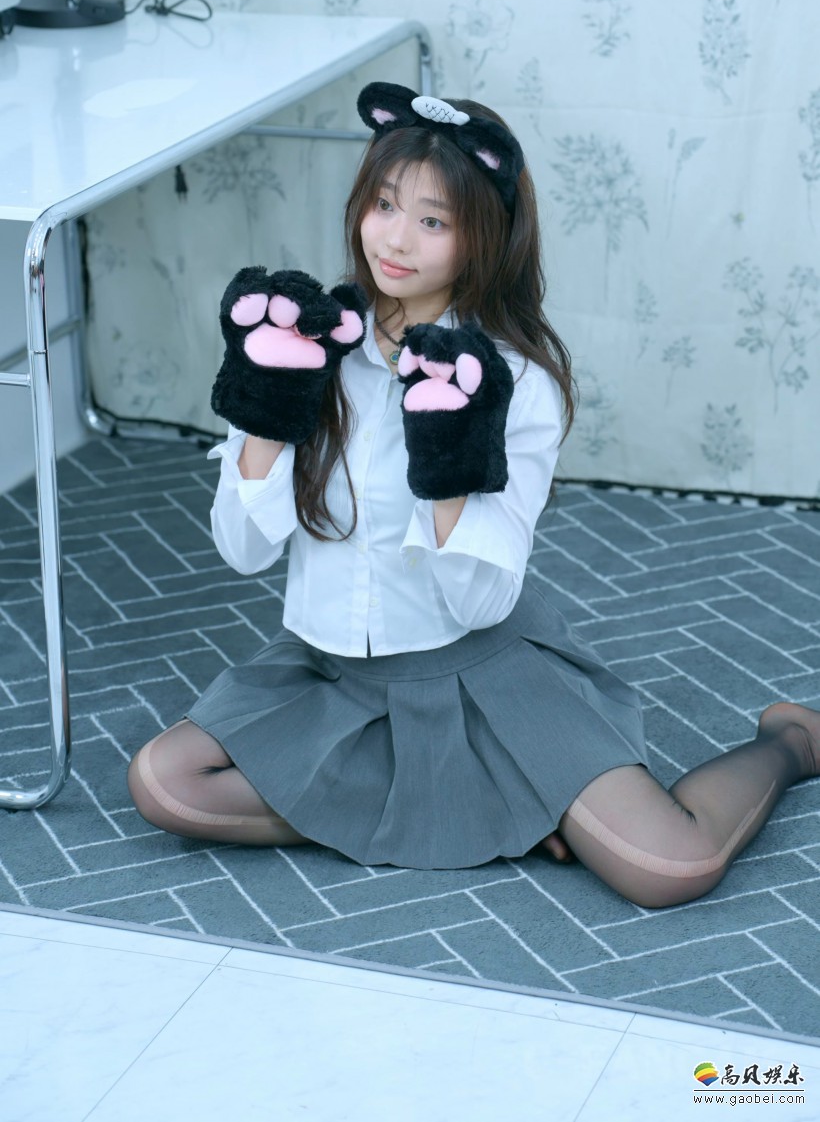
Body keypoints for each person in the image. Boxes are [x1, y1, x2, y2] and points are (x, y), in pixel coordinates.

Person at [127, 82, 820, 909]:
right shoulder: (307, 340)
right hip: (333, 677)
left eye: (434, 221)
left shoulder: (513, 381)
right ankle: (485, 807)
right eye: (384, 204)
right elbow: (244, 551)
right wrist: (267, 411)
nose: (395, 238)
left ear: (482, 237)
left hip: (479, 674)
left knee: (670, 865)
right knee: (165, 784)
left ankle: (791, 742)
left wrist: (448, 455)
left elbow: (480, 601)